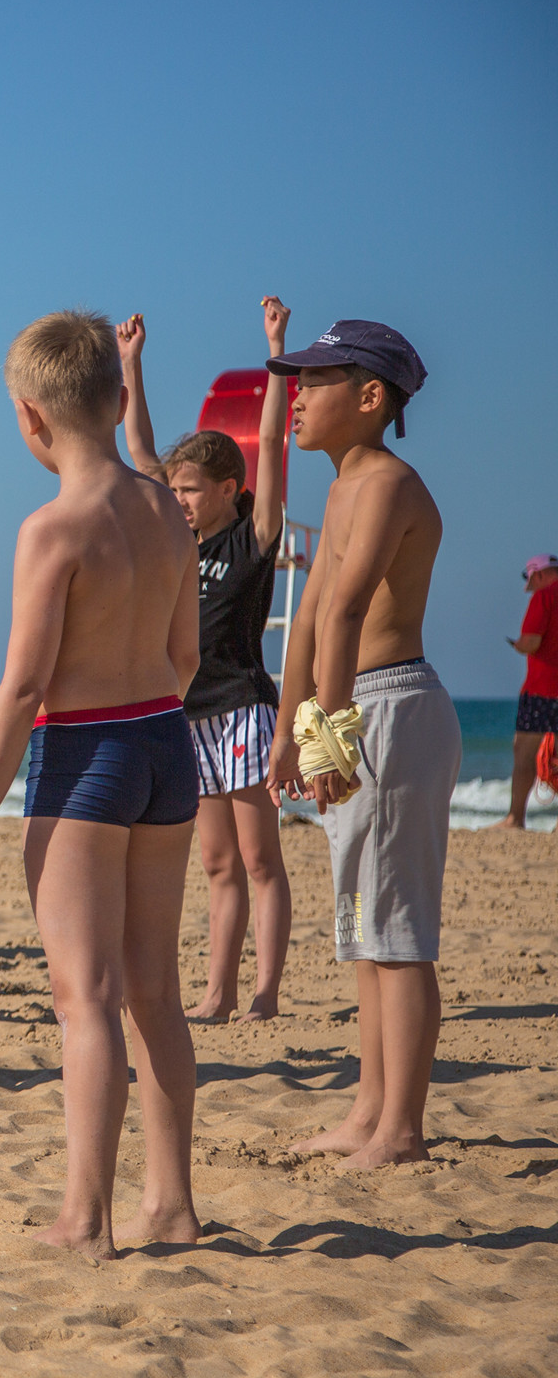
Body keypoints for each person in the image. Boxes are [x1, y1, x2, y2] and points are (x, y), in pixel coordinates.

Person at [0, 310, 201, 1261]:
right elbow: (184, 655)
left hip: (87, 755)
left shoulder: (53, 527)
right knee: (156, 994)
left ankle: (86, 1219)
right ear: (118, 397)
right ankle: (172, 1205)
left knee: (85, 997)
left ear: (31, 417)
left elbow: (23, 685)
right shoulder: (162, 509)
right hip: (164, 742)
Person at [267, 319, 455, 1171]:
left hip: (389, 708)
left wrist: (331, 734)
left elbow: (346, 614)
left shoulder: (385, 483)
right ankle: (369, 1110)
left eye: (315, 381)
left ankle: (402, 1130)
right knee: (364, 927)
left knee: (398, 931)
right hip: (349, 709)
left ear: (370, 396)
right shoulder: (344, 486)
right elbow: (307, 616)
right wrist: (286, 731)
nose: (297, 396)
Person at [119, 303, 295, 1022]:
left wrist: (277, 353)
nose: (180, 499)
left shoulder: (251, 540)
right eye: (177, 490)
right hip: (190, 718)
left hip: (245, 709)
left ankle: (265, 992)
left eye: (191, 490)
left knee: (260, 863)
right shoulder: (177, 541)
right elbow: (140, 454)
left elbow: (277, 447)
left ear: (228, 486)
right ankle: (218, 995)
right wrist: (132, 363)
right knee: (218, 865)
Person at [500, 553, 558, 830]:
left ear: (538, 574)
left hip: (543, 689)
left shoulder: (545, 596)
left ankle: (515, 817)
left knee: (524, 753)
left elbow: (532, 642)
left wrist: (519, 645)